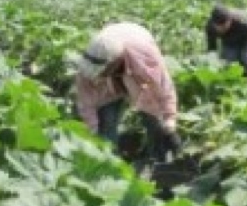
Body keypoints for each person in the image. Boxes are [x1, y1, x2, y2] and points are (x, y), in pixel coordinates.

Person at [75, 22, 180, 163]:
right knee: (106, 121)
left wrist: (170, 118)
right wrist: (93, 131)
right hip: (111, 74)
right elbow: (86, 103)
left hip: (136, 40)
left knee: (153, 117)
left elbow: (163, 85)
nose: (98, 75)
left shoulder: (145, 56)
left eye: (101, 71)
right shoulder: (88, 64)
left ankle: (157, 158)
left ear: (114, 63)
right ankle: (109, 162)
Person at [205, 5, 247, 79]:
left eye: (224, 26)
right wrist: (213, 65)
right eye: (218, 28)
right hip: (229, 43)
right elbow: (212, 49)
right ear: (214, 24)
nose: (222, 30)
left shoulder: (243, 23)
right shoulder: (210, 27)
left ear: (230, 20)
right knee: (229, 65)